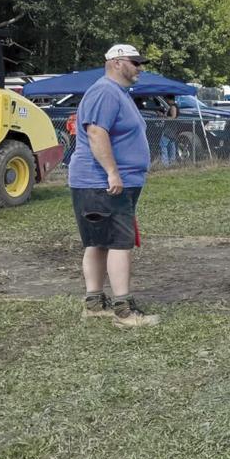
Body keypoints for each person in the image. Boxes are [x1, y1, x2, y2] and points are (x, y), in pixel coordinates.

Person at [68, 44, 160, 329]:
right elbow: (95, 132)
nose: (140, 68)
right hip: (101, 183)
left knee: (98, 242)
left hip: (102, 183)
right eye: (135, 62)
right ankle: (124, 309)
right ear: (118, 63)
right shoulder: (105, 91)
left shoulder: (116, 93)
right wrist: (112, 173)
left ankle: (94, 304)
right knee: (120, 243)